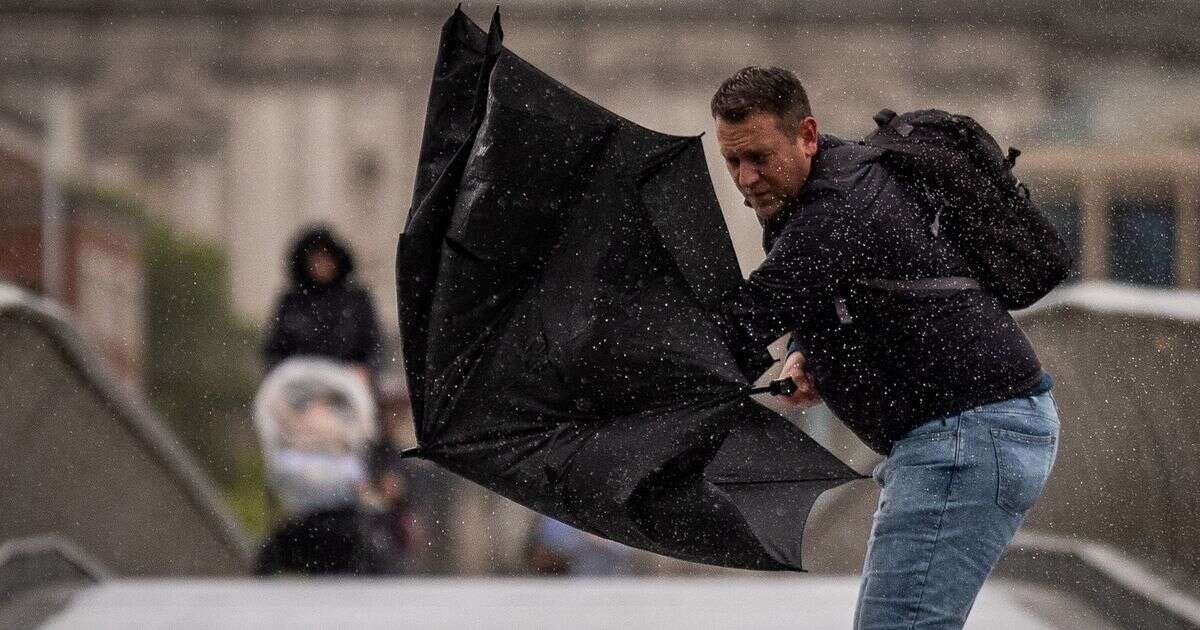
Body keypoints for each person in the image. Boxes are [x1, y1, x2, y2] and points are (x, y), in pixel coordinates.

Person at [710, 67, 1060, 629]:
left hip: (967, 438)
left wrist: (599, 363)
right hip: (968, 433)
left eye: (759, 156)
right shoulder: (830, 187)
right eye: (733, 162)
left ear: (806, 135)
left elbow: (733, 328)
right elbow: (839, 286)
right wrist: (807, 350)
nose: (746, 177)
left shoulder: (834, 208)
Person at [263, 225, 382, 380]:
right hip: (299, 386)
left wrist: (364, 370)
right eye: (315, 259)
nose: (320, 265)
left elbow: (375, 348)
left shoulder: (357, 299)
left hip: (348, 387)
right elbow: (273, 352)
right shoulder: (291, 302)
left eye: (325, 258)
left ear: (336, 260)